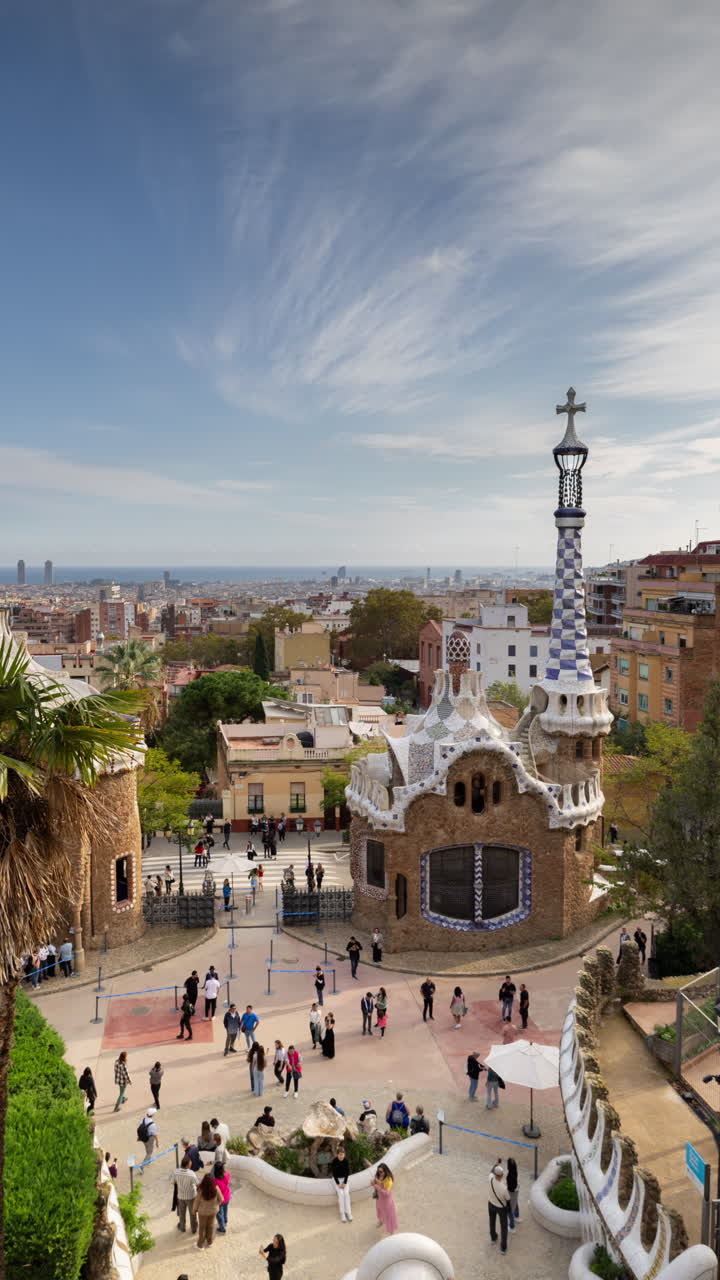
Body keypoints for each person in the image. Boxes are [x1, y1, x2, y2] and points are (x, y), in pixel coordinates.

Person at [193, 1172, 223, 1249]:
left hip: (203, 1212)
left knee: (202, 1228)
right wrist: (216, 1205)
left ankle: (200, 1245)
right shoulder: (216, 1188)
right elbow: (221, 1199)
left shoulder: (200, 1190)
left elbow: (197, 1201)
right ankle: (209, 1242)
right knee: (210, 1226)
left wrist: (194, 1210)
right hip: (213, 1212)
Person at [172, 1157, 199, 1233]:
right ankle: (194, 1229)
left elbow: (173, 1182)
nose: (191, 1164)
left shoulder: (176, 1172)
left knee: (181, 1214)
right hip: (191, 1197)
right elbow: (198, 1185)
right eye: (190, 1163)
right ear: (187, 1165)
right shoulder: (191, 1174)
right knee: (192, 1214)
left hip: (180, 1196)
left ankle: (182, 1228)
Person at [488, 1161, 510, 1253]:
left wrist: (496, 1163)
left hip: (491, 1204)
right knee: (504, 1227)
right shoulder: (503, 1188)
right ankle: (503, 1247)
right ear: (501, 1176)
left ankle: (493, 1238)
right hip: (501, 1208)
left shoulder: (490, 1178)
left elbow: (491, 1171)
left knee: (492, 1222)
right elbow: (508, 1199)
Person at [372, 1163, 398, 1235]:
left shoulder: (388, 1180)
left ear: (385, 1171)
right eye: (378, 1171)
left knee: (388, 1215)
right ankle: (381, 1221)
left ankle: (391, 1231)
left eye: (381, 1171)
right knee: (379, 1210)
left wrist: (376, 1186)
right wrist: (374, 1182)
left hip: (386, 1202)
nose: (379, 1173)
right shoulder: (379, 1176)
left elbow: (386, 1193)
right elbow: (377, 1182)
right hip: (379, 1199)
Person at [331, 1144, 352, 1222]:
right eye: (340, 1155)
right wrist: (338, 1183)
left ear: (344, 1154)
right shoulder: (334, 1161)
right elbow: (334, 1173)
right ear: (337, 1154)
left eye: (342, 1155)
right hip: (336, 1180)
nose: (341, 1156)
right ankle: (342, 1213)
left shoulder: (346, 1161)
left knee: (346, 1194)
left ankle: (348, 1213)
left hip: (344, 1180)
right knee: (341, 1193)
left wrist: (345, 1183)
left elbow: (347, 1173)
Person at [214, 1161, 232, 1234]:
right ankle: (225, 1221)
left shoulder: (215, 1180)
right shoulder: (227, 1174)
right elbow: (226, 1174)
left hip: (220, 1199)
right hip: (227, 1196)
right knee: (225, 1210)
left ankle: (222, 1228)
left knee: (219, 1214)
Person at [507, 1156, 520, 1223]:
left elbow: (510, 1188)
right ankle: (517, 1216)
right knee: (516, 1204)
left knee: (510, 1210)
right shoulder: (515, 1172)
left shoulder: (509, 1176)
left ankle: (512, 1226)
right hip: (515, 1192)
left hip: (511, 1193)